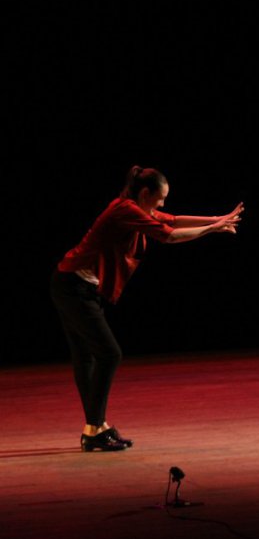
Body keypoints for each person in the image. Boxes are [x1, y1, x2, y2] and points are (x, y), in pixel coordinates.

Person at [50, 165, 244, 451]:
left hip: (80, 288)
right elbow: (168, 236)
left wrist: (217, 218)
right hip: (71, 287)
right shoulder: (124, 210)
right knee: (108, 353)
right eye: (160, 198)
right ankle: (94, 428)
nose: (163, 204)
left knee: (88, 357)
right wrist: (211, 230)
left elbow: (175, 221)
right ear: (145, 193)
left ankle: (95, 428)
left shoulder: (137, 209)